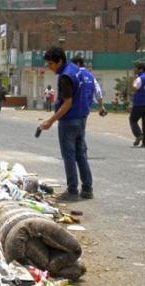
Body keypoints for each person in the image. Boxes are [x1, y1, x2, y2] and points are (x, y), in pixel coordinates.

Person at [40, 46, 93, 200]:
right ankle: (87, 188)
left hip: (69, 121)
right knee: (80, 154)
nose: (49, 67)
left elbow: (67, 103)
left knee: (69, 155)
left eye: (51, 64)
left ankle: (72, 190)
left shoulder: (65, 76)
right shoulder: (76, 69)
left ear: (59, 61)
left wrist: (50, 121)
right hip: (81, 118)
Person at [130, 63, 145, 148]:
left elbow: (134, 88)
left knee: (133, 120)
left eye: (136, 69)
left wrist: (134, 79)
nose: (134, 70)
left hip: (139, 103)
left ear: (141, 69)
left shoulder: (140, 78)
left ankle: (138, 134)